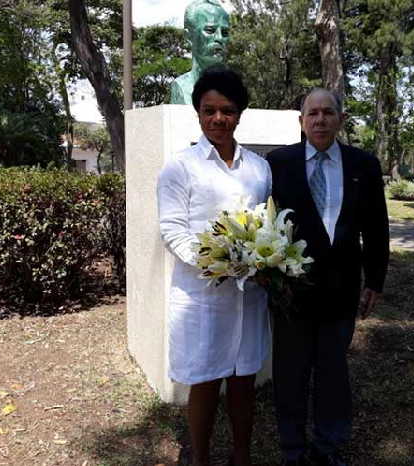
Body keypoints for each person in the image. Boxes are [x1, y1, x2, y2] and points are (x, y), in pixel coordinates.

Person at [267, 89, 390, 466]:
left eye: (328, 113)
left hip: (341, 290)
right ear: (301, 121)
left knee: (333, 373)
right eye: (312, 114)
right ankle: (292, 449)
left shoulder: (363, 165)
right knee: (290, 374)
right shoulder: (277, 163)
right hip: (291, 292)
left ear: (341, 118)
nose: (320, 120)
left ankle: (327, 448)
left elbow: (376, 227)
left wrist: (375, 281)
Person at [157, 66, 271, 466]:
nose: (218, 119)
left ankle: (242, 456)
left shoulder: (259, 167)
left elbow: (265, 222)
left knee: (243, 380)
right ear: (198, 113)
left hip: (250, 294)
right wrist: (217, 262)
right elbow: (172, 230)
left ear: (239, 114)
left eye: (227, 110)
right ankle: (200, 458)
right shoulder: (180, 167)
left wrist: (262, 261)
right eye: (209, 110)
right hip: (202, 294)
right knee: (205, 381)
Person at [170, 0, 230, 104]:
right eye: (210, 30)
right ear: (188, 36)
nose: (219, 38)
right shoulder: (181, 87)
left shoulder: (233, 89)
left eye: (225, 32)